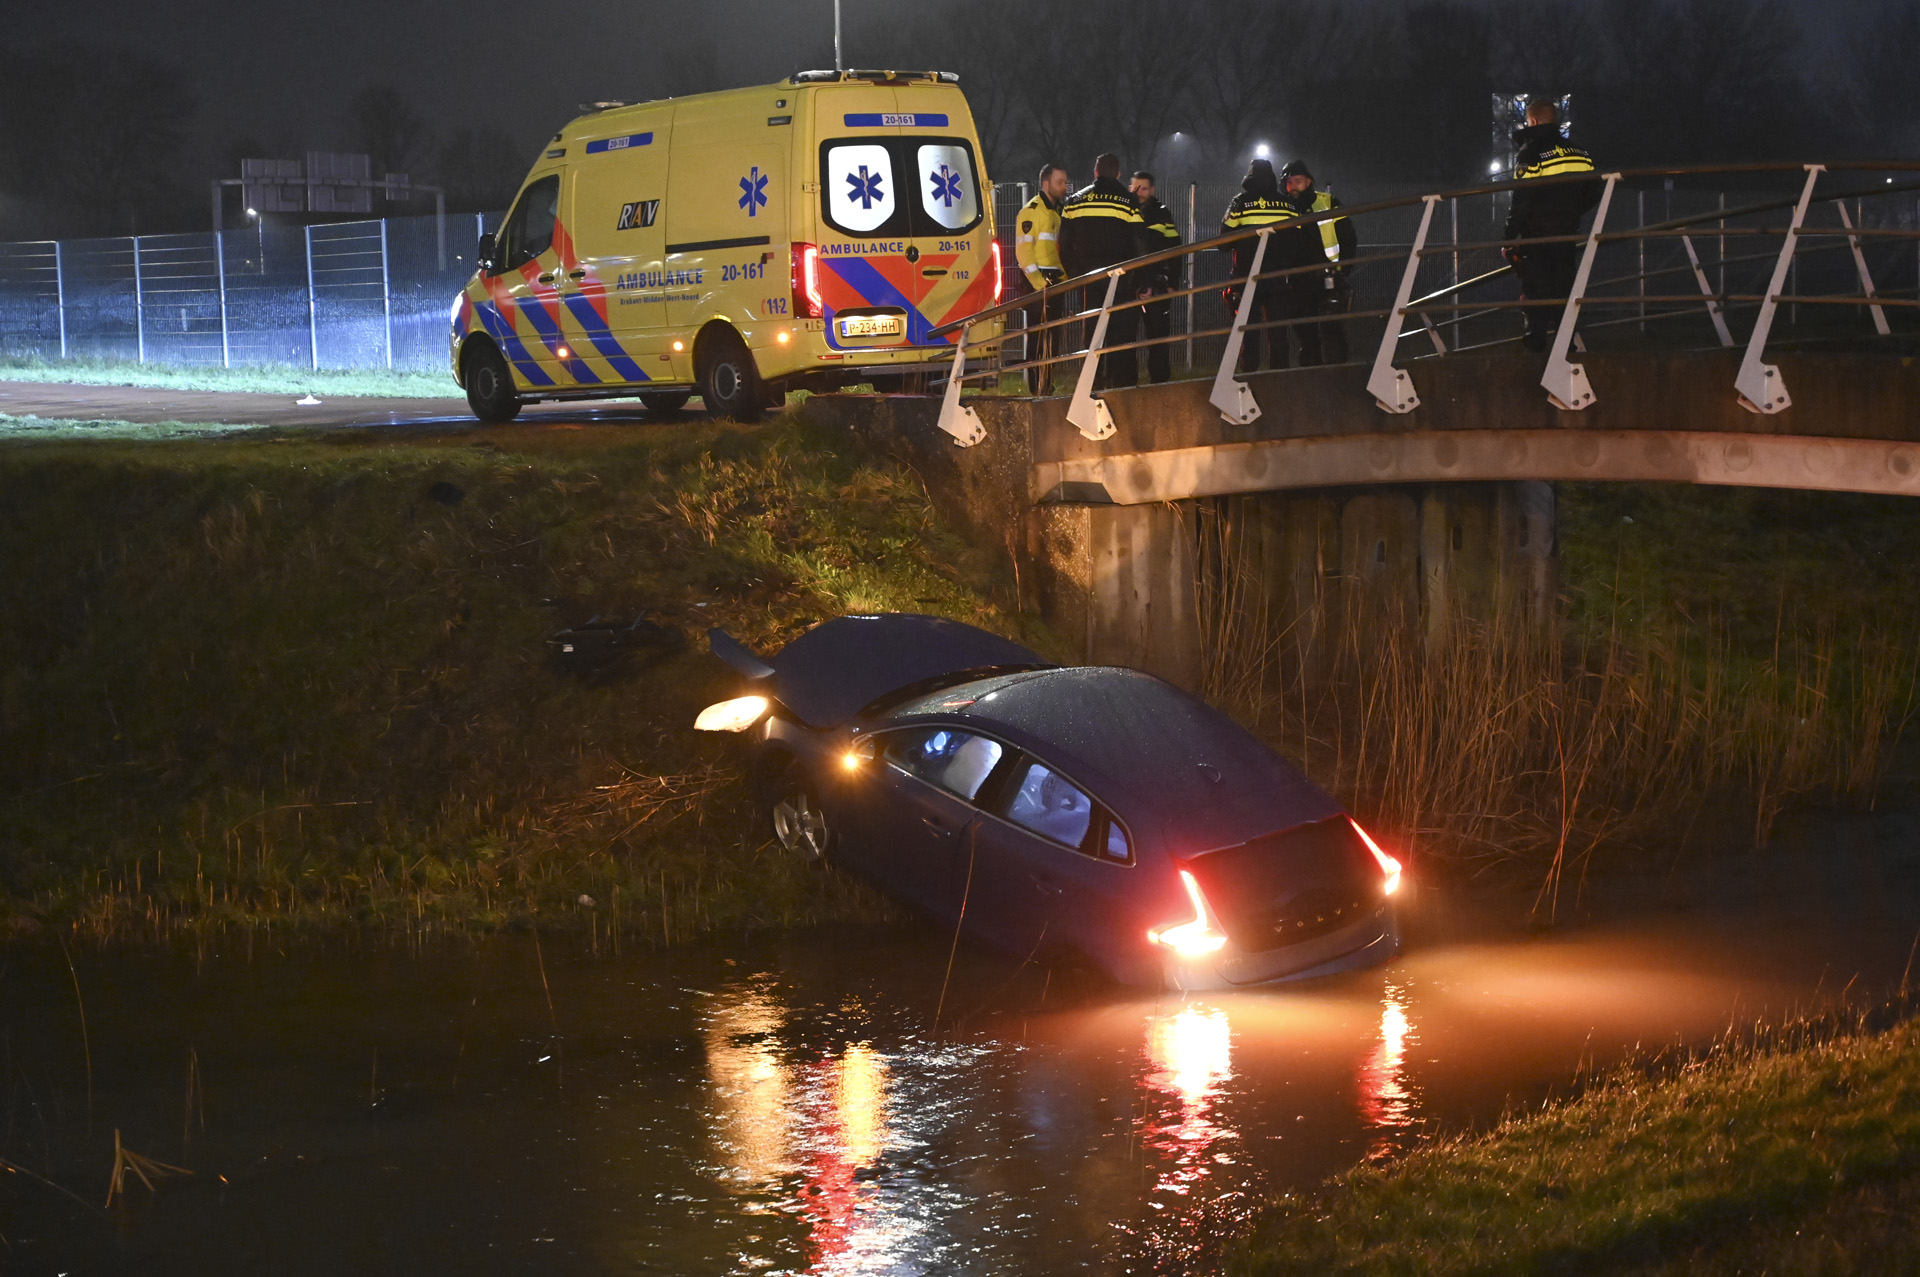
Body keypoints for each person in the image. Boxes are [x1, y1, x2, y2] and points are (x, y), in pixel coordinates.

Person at [1503, 98, 1602, 352]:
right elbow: (1593, 192)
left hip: (1536, 233)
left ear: (1533, 121)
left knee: (1535, 285)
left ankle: (1535, 340)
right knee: (1563, 284)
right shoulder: (1579, 152)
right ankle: (1565, 342)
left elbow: (1521, 198)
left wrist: (1509, 236)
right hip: (1566, 232)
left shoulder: (1531, 152)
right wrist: (1569, 213)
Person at [1058, 153, 1153, 390]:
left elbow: (1063, 245)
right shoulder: (1129, 202)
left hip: (1089, 281)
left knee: (1091, 336)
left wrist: (1075, 275)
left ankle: (1091, 386)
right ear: (1118, 174)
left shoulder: (1075, 201)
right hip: (1122, 282)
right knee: (1121, 337)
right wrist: (1138, 280)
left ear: (1096, 172)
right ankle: (1120, 388)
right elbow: (1141, 245)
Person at [1275, 160, 1356, 366]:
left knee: (1332, 330)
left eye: (1298, 181)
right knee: (1305, 334)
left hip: (1329, 277)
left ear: (1309, 181)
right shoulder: (1281, 207)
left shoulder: (1329, 202)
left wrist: (1343, 272)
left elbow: (1348, 238)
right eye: (1289, 182)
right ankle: (1312, 381)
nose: (1293, 185)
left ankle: (1337, 377)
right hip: (1297, 281)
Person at [1220, 157, 1294, 372]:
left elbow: (1223, 241)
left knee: (1248, 332)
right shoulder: (1286, 203)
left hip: (1246, 276)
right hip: (1278, 277)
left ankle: (1249, 379)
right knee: (1278, 332)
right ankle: (1279, 381)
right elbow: (1297, 239)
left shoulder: (1240, 202)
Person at [1014, 163, 1071, 394]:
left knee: (1053, 341)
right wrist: (1039, 284)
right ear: (1045, 184)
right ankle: (1037, 388)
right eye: (1060, 182)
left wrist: (1064, 281)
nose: (1065, 187)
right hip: (1039, 284)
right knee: (1038, 342)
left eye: (1066, 182)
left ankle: (1046, 385)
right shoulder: (1031, 211)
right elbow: (1023, 252)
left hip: (1055, 282)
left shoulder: (1058, 211)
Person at [1130, 171, 1182, 384]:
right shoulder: (1124, 211)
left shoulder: (1161, 214)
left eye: (1143, 188)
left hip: (1158, 284)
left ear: (1152, 190)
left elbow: (1175, 250)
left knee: (1158, 340)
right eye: (1134, 187)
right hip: (1130, 284)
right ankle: (1126, 386)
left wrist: (1172, 283)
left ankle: (1160, 385)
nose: (1138, 192)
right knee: (1125, 341)